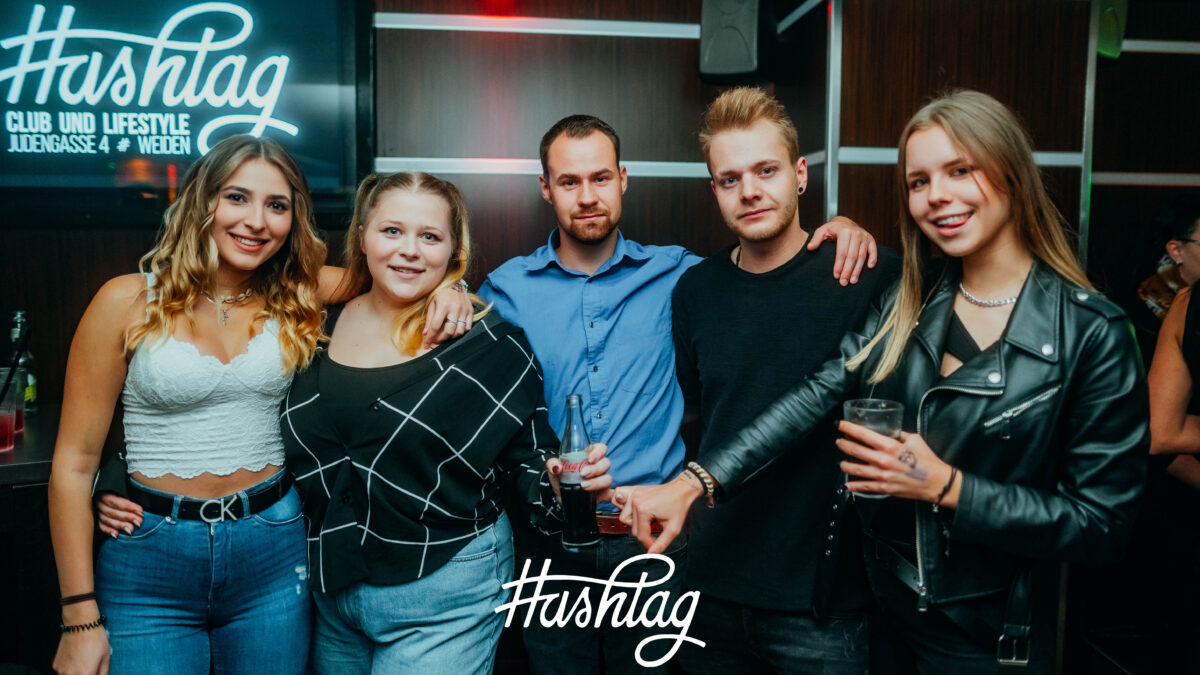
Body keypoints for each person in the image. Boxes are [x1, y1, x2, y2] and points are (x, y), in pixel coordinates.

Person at [618, 90, 1148, 674]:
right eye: (919, 181)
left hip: (986, 630)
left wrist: (946, 485)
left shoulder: (1091, 330)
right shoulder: (911, 299)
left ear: (1012, 174)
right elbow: (815, 394)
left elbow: (1103, 527)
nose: (937, 194)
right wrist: (695, 482)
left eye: (960, 170)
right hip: (886, 612)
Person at [50, 136, 474, 675]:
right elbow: (74, 465)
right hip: (149, 554)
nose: (256, 221)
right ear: (203, 201)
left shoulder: (299, 291)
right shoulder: (125, 300)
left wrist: (453, 287)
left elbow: (398, 271)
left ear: (292, 220)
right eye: (237, 198)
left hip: (273, 549)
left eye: (277, 206)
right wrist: (78, 618)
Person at [478, 114, 878, 673]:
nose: (587, 196)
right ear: (546, 188)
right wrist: (447, 292)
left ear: (623, 179)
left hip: (654, 544)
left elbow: (762, 263)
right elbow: (476, 395)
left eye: (600, 178)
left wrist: (845, 227)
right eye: (569, 182)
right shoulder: (504, 290)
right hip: (550, 545)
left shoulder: (682, 276)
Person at [277, 171, 613, 674]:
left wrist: (561, 488)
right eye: (392, 231)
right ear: (362, 236)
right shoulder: (315, 325)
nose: (409, 250)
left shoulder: (488, 344)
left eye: (430, 236)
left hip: (443, 589)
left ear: (454, 250)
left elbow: (531, 459)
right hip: (333, 590)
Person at [669, 87, 901, 673]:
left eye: (766, 170)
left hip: (823, 604)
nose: (749, 191)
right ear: (714, 190)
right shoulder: (695, 291)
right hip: (710, 591)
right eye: (730, 179)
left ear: (800, 175)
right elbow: (698, 415)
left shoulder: (865, 274)